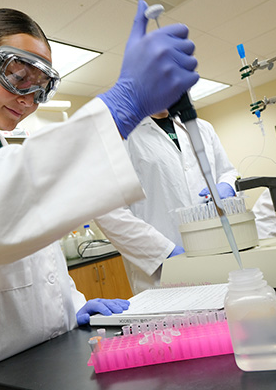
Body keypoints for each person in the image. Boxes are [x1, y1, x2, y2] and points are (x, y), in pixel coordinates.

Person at [0, 2, 198, 390]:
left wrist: (74, 305)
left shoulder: (9, 156)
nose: (27, 98)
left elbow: (38, 263)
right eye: (17, 75)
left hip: (51, 369)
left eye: (40, 88)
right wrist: (118, 109)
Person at [95, 110, 238, 293]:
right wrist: (164, 252)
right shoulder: (119, 135)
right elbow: (108, 210)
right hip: (161, 271)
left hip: (216, 252)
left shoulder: (202, 128)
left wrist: (227, 184)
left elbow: (228, 171)